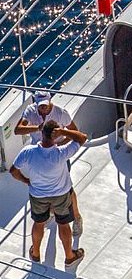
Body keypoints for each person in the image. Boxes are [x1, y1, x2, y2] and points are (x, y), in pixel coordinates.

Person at [10, 122, 87, 266]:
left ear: (41, 133)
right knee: (63, 224)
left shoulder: (28, 151)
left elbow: (13, 171)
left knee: (38, 223)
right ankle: (70, 257)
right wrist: (64, 132)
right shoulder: (62, 152)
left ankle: (36, 254)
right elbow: (82, 137)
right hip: (61, 196)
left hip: (38, 196)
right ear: (55, 135)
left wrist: (26, 181)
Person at [15, 91, 83, 237]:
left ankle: (76, 217)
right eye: (40, 107)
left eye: (45, 106)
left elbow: (75, 132)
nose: (43, 109)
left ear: (50, 101)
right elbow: (18, 130)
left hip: (57, 155)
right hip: (38, 155)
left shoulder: (61, 113)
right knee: (45, 188)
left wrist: (60, 146)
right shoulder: (31, 111)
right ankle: (51, 212)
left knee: (67, 188)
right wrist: (38, 128)